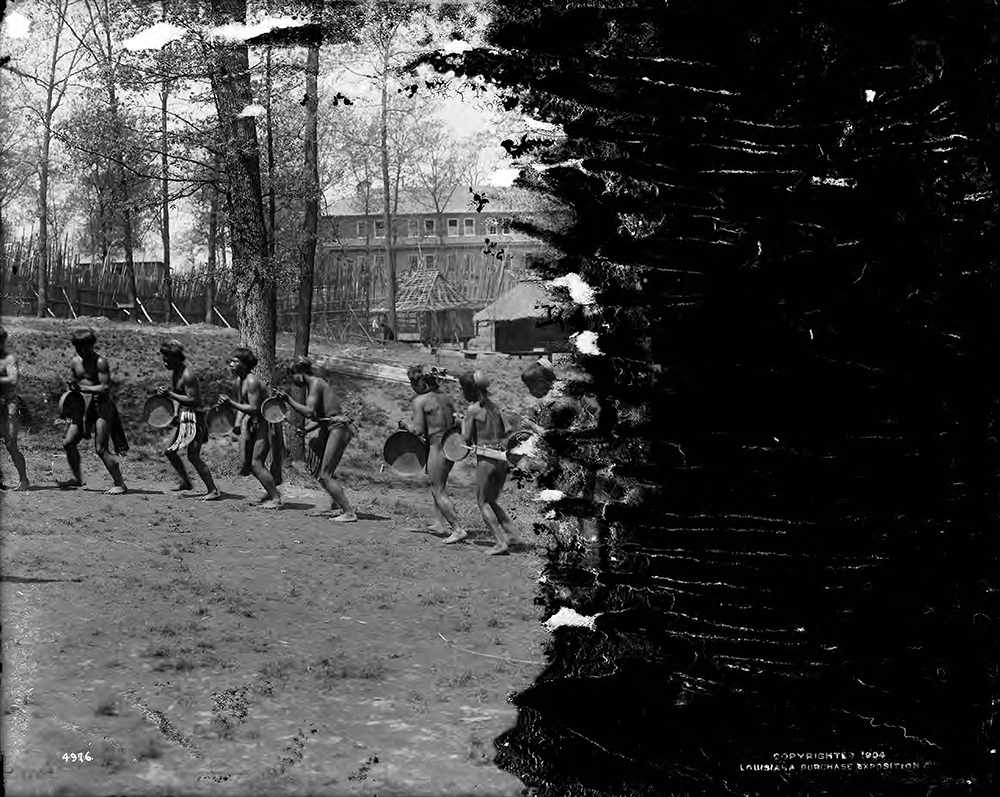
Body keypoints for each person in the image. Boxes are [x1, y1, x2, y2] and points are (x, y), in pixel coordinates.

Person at [273, 357, 357, 522]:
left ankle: (349, 513)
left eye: (292, 376)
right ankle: (336, 506)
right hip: (332, 427)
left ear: (300, 374)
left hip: (338, 429)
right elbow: (322, 416)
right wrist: (306, 430)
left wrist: (288, 400)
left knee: (325, 475)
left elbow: (310, 412)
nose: (293, 381)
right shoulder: (315, 385)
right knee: (323, 473)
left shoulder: (316, 383)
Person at [400, 365, 465, 542]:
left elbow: (418, 430)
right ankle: (439, 524)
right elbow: (458, 421)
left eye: (412, 383)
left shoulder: (420, 401)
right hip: (451, 446)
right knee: (437, 486)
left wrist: (405, 425)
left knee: (438, 490)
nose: (412, 387)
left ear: (419, 383)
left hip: (437, 448)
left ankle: (458, 529)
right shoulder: (447, 398)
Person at [60, 328, 128, 494]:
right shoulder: (75, 361)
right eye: (78, 347)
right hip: (82, 407)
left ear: (91, 345)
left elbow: (105, 387)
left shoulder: (100, 362)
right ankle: (77, 478)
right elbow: (76, 381)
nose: (81, 350)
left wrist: (82, 387)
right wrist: (72, 387)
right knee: (68, 443)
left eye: (84, 347)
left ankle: (120, 484)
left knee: (100, 449)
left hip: (101, 407)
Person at [459, 369, 519, 556]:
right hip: (502, 459)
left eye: (463, 389)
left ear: (470, 389)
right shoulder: (495, 406)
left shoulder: (473, 409)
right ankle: (512, 535)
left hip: (486, 460)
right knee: (492, 500)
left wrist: (463, 422)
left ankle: (500, 542)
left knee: (483, 502)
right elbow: (506, 431)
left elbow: (465, 439)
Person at [216, 347, 282, 509]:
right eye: (230, 361)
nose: (231, 364)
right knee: (249, 464)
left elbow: (254, 408)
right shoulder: (240, 380)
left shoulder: (252, 381)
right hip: (255, 423)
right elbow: (243, 404)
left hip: (267, 424)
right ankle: (271, 493)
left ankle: (276, 499)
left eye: (235, 361)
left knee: (256, 464)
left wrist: (230, 403)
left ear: (245, 365)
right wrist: (238, 423)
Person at [158, 340, 220, 500]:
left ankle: (213, 490)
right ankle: (186, 482)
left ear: (177, 358)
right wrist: (175, 413)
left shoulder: (187, 375)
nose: (164, 363)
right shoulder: (175, 372)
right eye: (163, 359)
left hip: (195, 418)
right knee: (169, 451)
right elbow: (179, 395)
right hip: (184, 416)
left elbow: (194, 400)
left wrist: (170, 395)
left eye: (167, 360)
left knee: (193, 456)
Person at [0, 326, 30, 491]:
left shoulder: (9, 358)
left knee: (11, 445)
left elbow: (13, 379)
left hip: (9, 406)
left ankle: (23, 479)